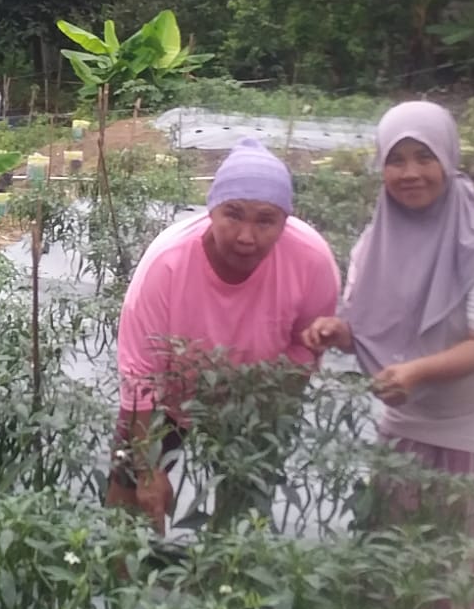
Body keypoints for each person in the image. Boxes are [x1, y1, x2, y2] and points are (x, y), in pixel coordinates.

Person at [302, 100, 474, 609]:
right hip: (414, 410)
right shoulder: (376, 242)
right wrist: (338, 331)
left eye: (424, 157)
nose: (410, 172)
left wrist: (415, 371)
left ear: (449, 159)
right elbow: (374, 325)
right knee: (398, 538)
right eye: (396, 160)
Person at [108, 137, 341, 533]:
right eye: (233, 214)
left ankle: (225, 565)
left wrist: (264, 412)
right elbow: (139, 375)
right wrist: (146, 470)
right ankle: (121, 562)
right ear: (211, 209)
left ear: (285, 221)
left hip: (256, 396)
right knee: (128, 489)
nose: (246, 236)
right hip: (170, 393)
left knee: (243, 506)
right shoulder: (166, 264)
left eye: (265, 220)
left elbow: (304, 352)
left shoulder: (310, 261)